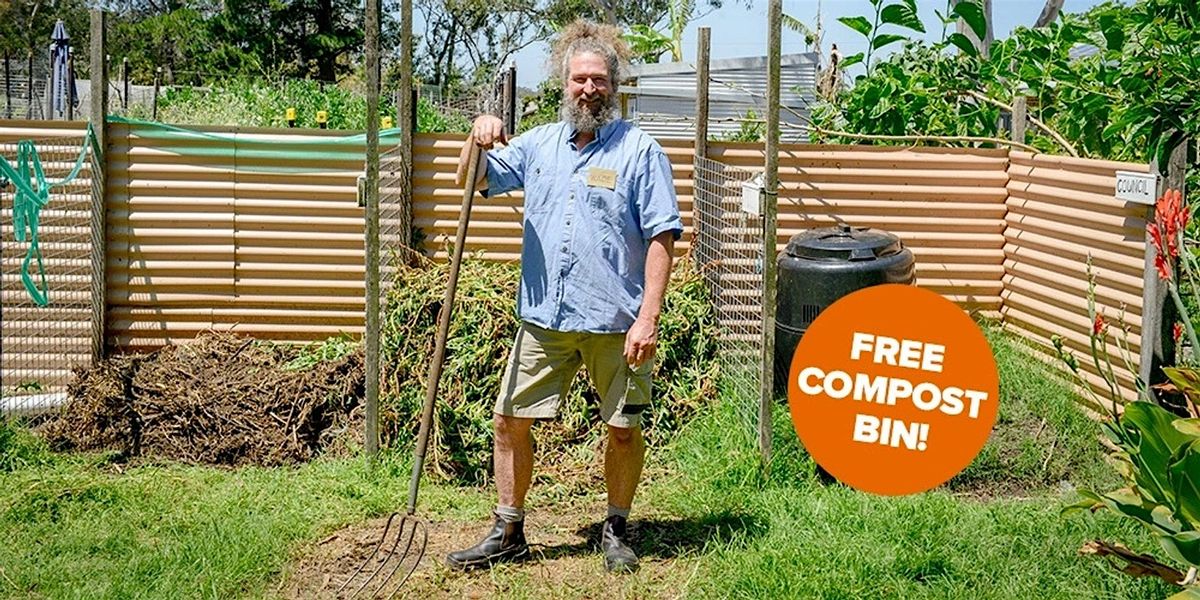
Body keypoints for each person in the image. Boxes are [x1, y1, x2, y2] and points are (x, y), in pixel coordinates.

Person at [446, 19, 683, 574]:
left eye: (599, 79)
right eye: (579, 79)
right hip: (544, 319)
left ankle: (617, 527)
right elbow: (473, 180)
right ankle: (509, 530)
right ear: (563, 83)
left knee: (623, 429)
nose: (588, 89)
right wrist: (474, 135)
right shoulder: (537, 146)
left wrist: (648, 316)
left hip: (615, 321)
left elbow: (662, 237)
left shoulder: (639, 152)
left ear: (614, 85)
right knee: (509, 419)